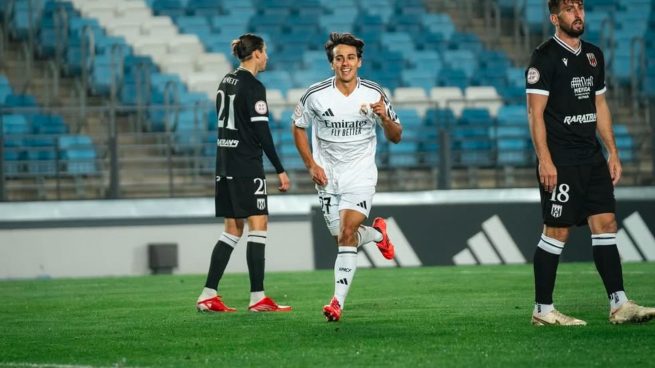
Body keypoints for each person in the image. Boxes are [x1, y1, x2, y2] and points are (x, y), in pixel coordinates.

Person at [526, 0, 655, 325]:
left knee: (606, 224)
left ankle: (619, 304)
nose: (578, 13)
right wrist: (545, 160)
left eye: (580, 7)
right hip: (561, 159)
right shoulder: (544, 57)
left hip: (591, 157)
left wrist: (612, 150)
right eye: (569, 9)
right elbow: (534, 113)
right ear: (555, 18)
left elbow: (600, 103)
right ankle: (542, 310)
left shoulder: (594, 55)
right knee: (556, 231)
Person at [292, 32, 402, 322]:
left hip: (361, 174)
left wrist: (385, 118)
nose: (345, 63)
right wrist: (310, 164)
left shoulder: (374, 93)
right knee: (341, 236)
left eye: (350, 58)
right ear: (332, 63)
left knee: (346, 233)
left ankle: (336, 303)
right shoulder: (315, 95)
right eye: (339, 58)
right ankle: (378, 234)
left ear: (359, 62)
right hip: (327, 177)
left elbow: (396, 137)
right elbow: (298, 126)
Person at [196, 33, 292, 313]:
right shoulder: (254, 87)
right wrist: (280, 169)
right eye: (265, 52)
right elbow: (262, 132)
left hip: (224, 164)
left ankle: (208, 294)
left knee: (233, 228)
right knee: (258, 223)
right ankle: (258, 297)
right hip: (246, 165)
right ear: (258, 54)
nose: (267, 57)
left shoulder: (226, 81)